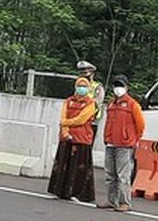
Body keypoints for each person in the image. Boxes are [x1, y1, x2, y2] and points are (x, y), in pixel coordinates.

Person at [97, 75, 146, 212]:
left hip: (125, 145)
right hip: (111, 143)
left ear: (126, 87)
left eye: (121, 85)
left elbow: (140, 125)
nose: (118, 88)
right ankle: (111, 200)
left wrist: (133, 139)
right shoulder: (111, 104)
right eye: (116, 85)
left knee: (123, 175)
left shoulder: (132, 105)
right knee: (110, 174)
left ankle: (125, 202)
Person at [47, 78, 98, 203]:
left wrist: (66, 123)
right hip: (67, 137)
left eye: (84, 86)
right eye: (79, 86)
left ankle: (79, 193)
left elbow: (81, 119)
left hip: (81, 139)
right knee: (63, 164)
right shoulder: (68, 101)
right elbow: (63, 115)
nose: (81, 88)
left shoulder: (90, 103)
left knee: (79, 167)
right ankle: (60, 191)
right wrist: (65, 131)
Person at [76, 60, 106, 140]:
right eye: (81, 74)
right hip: (76, 121)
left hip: (91, 122)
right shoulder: (78, 86)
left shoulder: (97, 87)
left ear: (92, 74)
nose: (83, 76)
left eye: (85, 73)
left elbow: (97, 103)